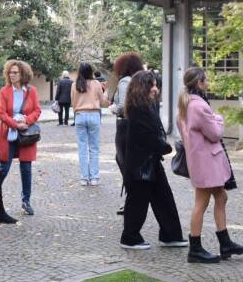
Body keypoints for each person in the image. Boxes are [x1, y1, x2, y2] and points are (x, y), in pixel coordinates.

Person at [177, 66, 243, 264]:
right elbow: (215, 134)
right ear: (199, 83)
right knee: (201, 203)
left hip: (201, 161)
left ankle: (225, 243)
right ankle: (195, 249)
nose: (208, 83)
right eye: (206, 80)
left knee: (221, 196)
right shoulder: (199, 106)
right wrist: (218, 118)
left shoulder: (186, 105)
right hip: (206, 162)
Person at [119, 70, 187, 250]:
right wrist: (165, 147)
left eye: (156, 85)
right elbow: (148, 136)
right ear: (143, 87)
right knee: (137, 202)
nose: (156, 89)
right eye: (152, 85)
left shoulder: (146, 106)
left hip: (149, 162)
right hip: (141, 165)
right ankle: (130, 237)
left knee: (164, 199)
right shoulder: (139, 109)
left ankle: (170, 235)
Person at [0, 59, 41, 216]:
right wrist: (15, 124)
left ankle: (26, 201)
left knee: (26, 168)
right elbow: (1, 113)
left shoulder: (32, 91)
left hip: (26, 135)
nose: (12, 75)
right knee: (3, 168)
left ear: (23, 74)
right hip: (9, 133)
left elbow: (37, 110)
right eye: (10, 72)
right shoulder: (4, 91)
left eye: (15, 72)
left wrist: (26, 121)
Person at [110, 52, 145, 209]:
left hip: (125, 127)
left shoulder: (125, 81)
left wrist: (112, 108)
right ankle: (134, 200)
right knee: (132, 164)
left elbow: (123, 107)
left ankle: (131, 201)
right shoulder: (140, 81)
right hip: (138, 126)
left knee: (124, 162)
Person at [72, 63, 107, 186]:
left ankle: (84, 177)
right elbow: (102, 102)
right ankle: (94, 178)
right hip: (93, 115)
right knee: (94, 148)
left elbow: (73, 103)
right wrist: (105, 92)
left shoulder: (74, 85)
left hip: (80, 115)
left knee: (82, 147)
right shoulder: (96, 84)